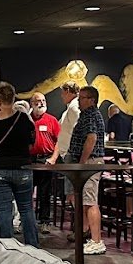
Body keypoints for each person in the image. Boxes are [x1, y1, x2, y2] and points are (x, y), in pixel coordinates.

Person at [0, 83, 38, 246]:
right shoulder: (24, 119)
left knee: (4, 210)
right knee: (27, 209)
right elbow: (31, 144)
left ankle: (7, 249)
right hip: (22, 168)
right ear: (14, 98)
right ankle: (33, 248)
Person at [69, 85, 109, 256]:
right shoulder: (88, 115)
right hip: (90, 162)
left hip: (91, 163)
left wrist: (82, 163)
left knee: (90, 202)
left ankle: (96, 241)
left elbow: (91, 139)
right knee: (86, 201)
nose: (79, 101)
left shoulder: (91, 115)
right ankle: (90, 237)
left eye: (82, 98)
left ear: (91, 100)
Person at [49, 80, 80, 232]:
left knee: (73, 194)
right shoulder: (70, 108)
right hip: (67, 154)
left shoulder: (75, 107)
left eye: (62, 92)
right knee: (71, 193)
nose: (61, 96)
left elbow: (78, 130)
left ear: (68, 91)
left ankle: (80, 227)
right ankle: (78, 226)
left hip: (71, 154)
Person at [29, 92, 60, 234]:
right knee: (26, 192)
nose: (41, 103)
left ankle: (45, 221)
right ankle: (27, 221)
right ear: (31, 103)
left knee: (45, 192)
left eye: (43, 100)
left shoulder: (52, 120)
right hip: (29, 160)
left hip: (45, 159)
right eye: (37, 101)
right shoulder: (26, 120)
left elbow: (60, 140)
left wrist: (53, 158)